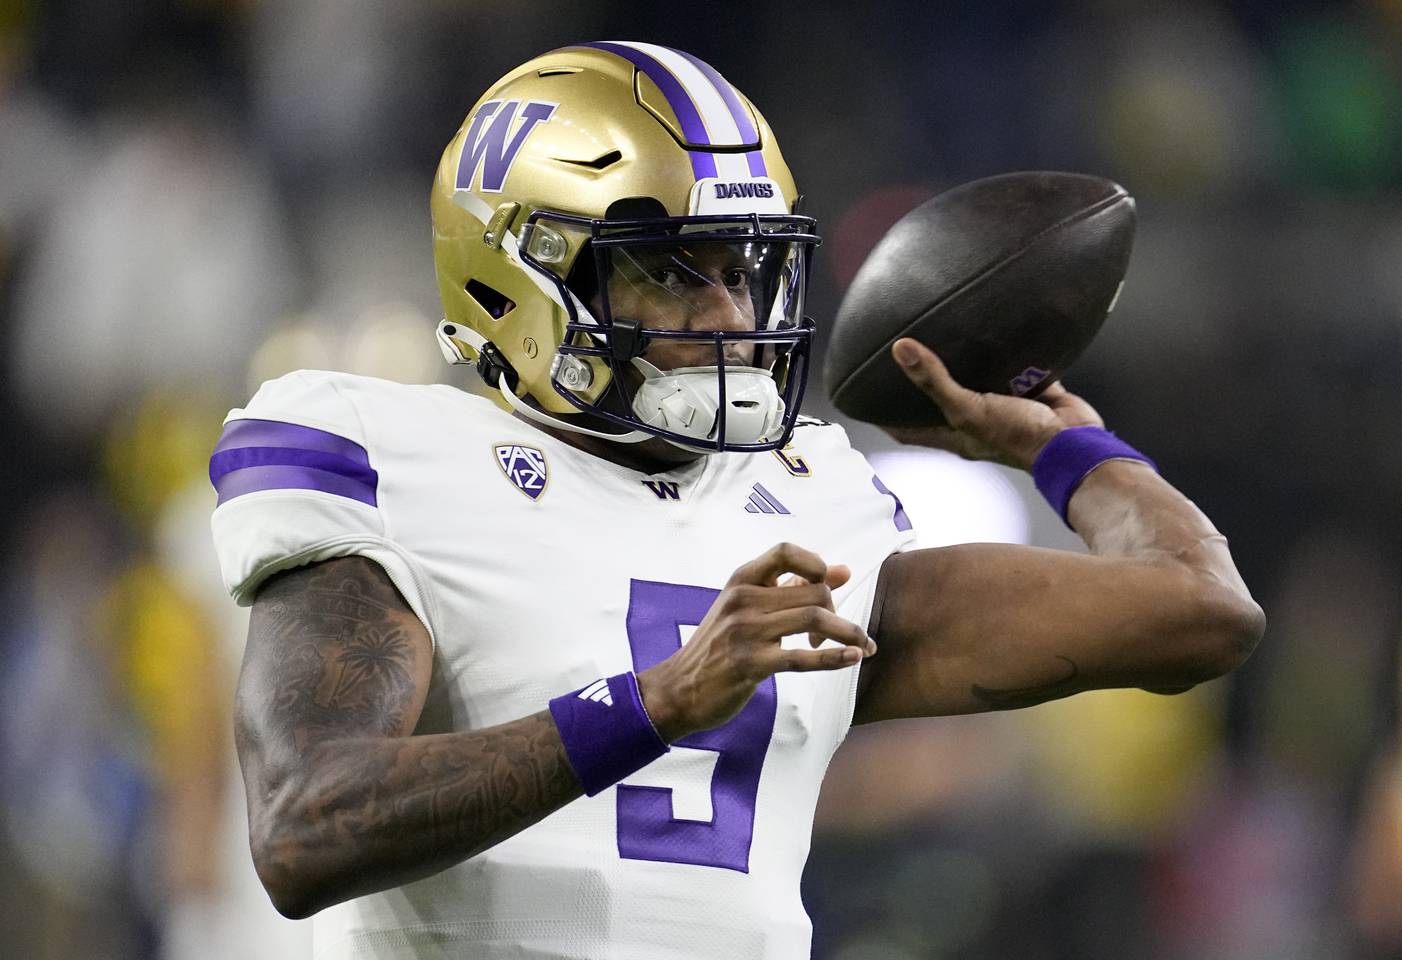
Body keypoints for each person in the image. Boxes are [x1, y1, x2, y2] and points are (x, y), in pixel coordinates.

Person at [211, 41, 1264, 960]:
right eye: (669, 273)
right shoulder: (391, 457)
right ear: (524, 276)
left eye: (743, 269)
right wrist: (654, 703)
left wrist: (1065, 448)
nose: (729, 314)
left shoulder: (812, 505)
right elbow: (306, 829)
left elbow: (1201, 612)